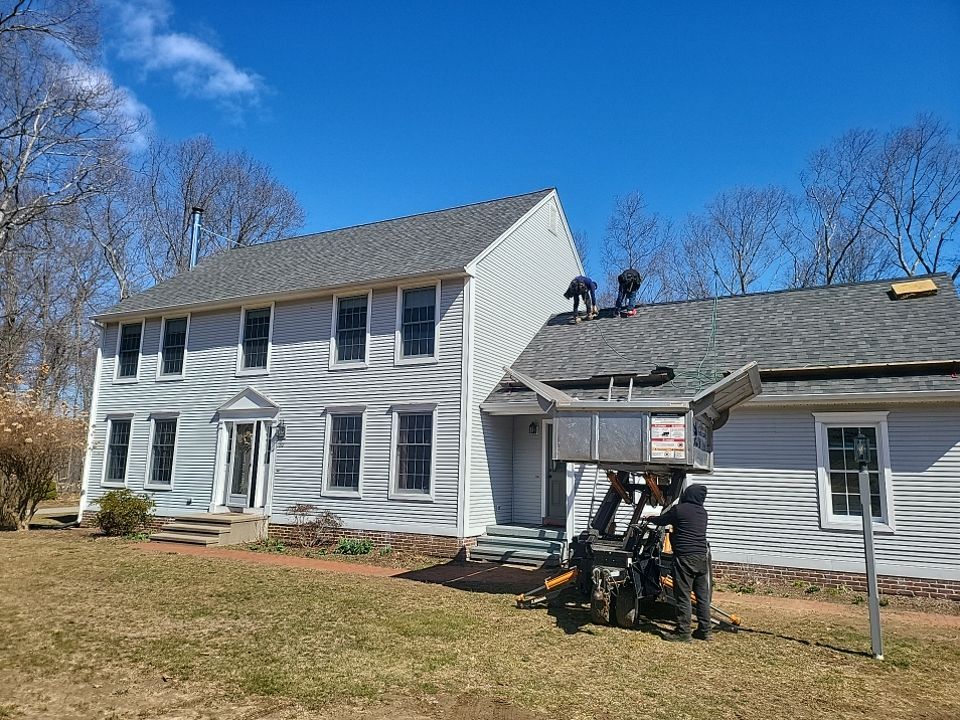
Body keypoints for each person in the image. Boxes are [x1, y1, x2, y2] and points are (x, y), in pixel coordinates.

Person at [647, 484, 712, 641]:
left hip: (685, 558)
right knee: (702, 597)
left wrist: (650, 518)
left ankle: (683, 633)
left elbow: (663, 520)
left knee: (683, 596)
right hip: (702, 558)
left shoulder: (679, 509)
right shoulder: (703, 513)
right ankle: (705, 631)